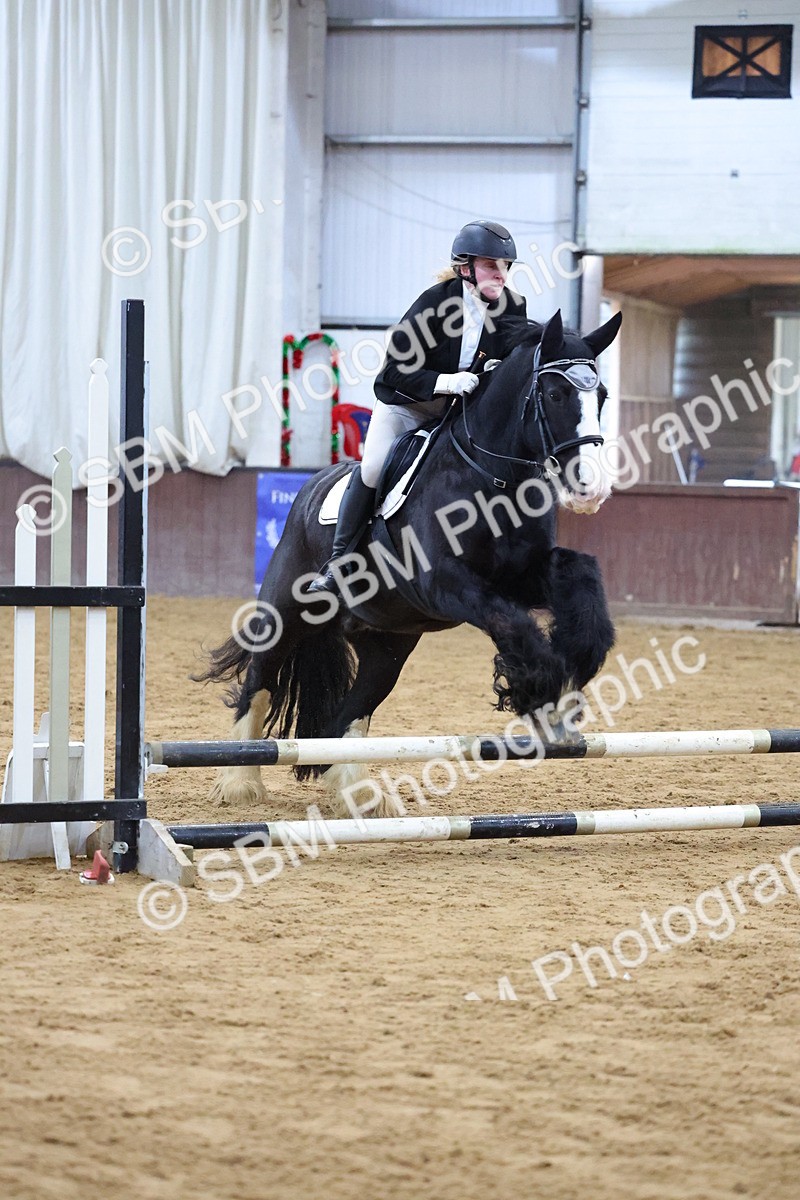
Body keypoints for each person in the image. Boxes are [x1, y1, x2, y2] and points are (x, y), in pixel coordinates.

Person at [308, 219, 528, 595]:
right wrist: (445, 382)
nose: (501, 274)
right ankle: (338, 562)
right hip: (408, 406)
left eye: (505, 266)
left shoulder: (513, 308)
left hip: (458, 416)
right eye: (492, 265)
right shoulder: (433, 304)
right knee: (375, 467)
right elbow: (393, 372)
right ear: (465, 268)